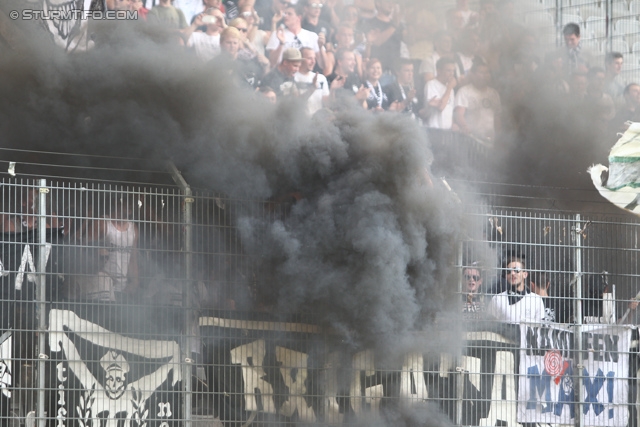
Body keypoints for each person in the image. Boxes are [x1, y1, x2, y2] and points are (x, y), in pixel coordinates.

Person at [487, 255, 545, 323]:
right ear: (506, 276)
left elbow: (539, 328)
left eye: (516, 270)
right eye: (508, 271)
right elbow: (491, 327)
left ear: (525, 274)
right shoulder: (497, 299)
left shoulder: (536, 300)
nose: (512, 273)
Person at [454, 61, 501, 144]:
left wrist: (499, 136)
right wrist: (465, 127)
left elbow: (497, 117)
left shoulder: (494, 94)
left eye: (487, 72)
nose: (485, 75)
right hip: (471, 139)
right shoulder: (464, 91)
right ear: (473, 74)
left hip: (490, 140)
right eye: (481, 72)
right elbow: (459, 114)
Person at [361, 0, 404, 79]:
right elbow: (376, 42)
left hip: (396, 72)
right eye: (388, 1)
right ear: (378, 3)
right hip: (379, 73)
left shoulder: (398, 24)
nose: (391, 4)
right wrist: (394, 25)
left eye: (393, 2)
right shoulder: (370, 23)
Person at [421, 57, 457, 129]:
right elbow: (440, 107)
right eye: (448, 70)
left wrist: (453, 124)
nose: (451, 74)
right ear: (439, 71)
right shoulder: (431, 85)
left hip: (447, 132)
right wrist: (449, 88)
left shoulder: (450, 88)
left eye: (453, 71)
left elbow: (449, 110)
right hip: (434, 130)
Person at [295, 47, 330, 115]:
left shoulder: (321, 78)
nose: (313, 61)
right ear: (300, 60)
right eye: (309, 58)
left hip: (317, 121)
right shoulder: (294, 78)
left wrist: (334, 89)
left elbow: (327, 103)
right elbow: (296, 103)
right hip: (300, 121)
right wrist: (313, 88)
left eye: (314, 58)